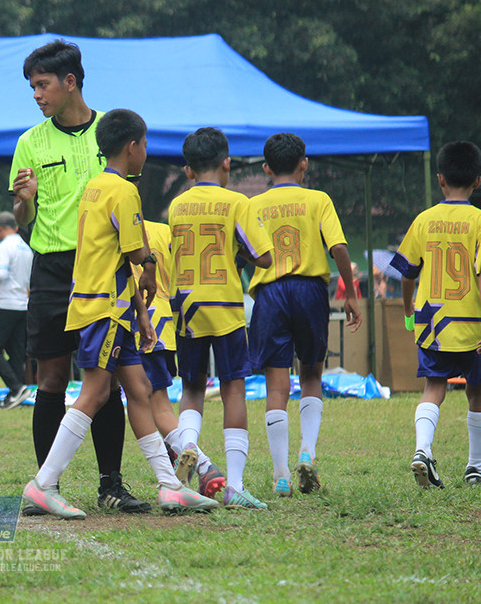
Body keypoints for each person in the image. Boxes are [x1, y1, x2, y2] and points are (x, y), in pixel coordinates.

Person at [21, 109, 218, 518]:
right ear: (132, 147)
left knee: (141, 390)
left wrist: (141, 313)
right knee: (94, 394)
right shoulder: (124, 191)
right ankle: (43, 484)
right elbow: (135, 253)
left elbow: (114, 257)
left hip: (111, 306)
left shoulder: (94, 187)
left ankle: (169, 486)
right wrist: (148, 269)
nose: (145, 152)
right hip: (104, 309)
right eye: (144, 145)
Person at [11, 39, 150, 514]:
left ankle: (111, 483)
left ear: (71, 82)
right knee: (50, 378)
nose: (36, 94)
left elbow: (128, 206)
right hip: (51, 269)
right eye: (32, 86)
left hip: (101, 269)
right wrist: (24, 198)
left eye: (43, 84)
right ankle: (44, 487)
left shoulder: (112, 132)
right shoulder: (29, 142)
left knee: (105, 377)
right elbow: (23, 217)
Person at [247, 133, 363, 497]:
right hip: (310, 290)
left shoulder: (254, 205)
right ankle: (308, 453)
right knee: (312, 372)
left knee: (276, 383)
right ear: (304, 163)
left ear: (265, 168)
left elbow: (243, 252)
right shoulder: (318, 200)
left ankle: (281, 474)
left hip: (270, 292)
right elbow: (339, 247)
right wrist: (352, 292)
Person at [168, 127, 273, 509]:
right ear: (226, 164)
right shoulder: (236, 202)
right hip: (225, 308)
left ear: (188, 171)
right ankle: (235, 485)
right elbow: (265, 257)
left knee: (192, 388)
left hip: (185, 307)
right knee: (232, 388)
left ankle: (190, 445)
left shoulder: (177, 206)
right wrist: (238, 254)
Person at [390, 141, 481, 489]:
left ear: (440, 179)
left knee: (433, 387)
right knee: (477, 392)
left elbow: (407, 273)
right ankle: (475, 466)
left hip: (433, 323)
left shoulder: (424, 220)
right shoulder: (479, 221)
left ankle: (422, 449)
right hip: (472, 325)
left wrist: (408, 311)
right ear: (477, 181)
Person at [135, 217, 222, 492]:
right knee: (155, 401)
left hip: (136, 320)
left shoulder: (122, 230)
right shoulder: (164, 231)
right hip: (165, 320)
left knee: (155, 403)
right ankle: (185, 463)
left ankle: (203, 464)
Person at [0, 212, 33, 409]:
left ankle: (16, 387)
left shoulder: (4, 247)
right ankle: (16, 394)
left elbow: (1, 273)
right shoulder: (25, 247)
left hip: (4, 303)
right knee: (16, 351)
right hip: (22, 304)